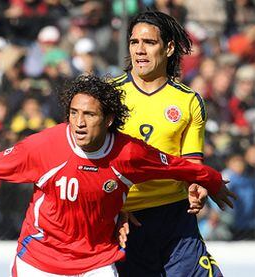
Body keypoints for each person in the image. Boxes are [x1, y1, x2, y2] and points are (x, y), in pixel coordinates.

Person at [0, 74, 235, 277]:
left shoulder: (129, 154)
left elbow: (180, 166)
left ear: (108, 119)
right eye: (74, 113)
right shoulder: (43, 147)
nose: (78, 122)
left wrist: (213, 181)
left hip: (97, 262)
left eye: (89, 114)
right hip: (40, 261)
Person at [114, 11, 234, 276]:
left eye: (149, 42)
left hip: (175, 218)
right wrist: (113, 208)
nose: (140, 50)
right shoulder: (109, 96)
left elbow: (192, 162)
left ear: (168, 48)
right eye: (134, 42)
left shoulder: (189, 101)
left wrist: (197, 184)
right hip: (124, 219)